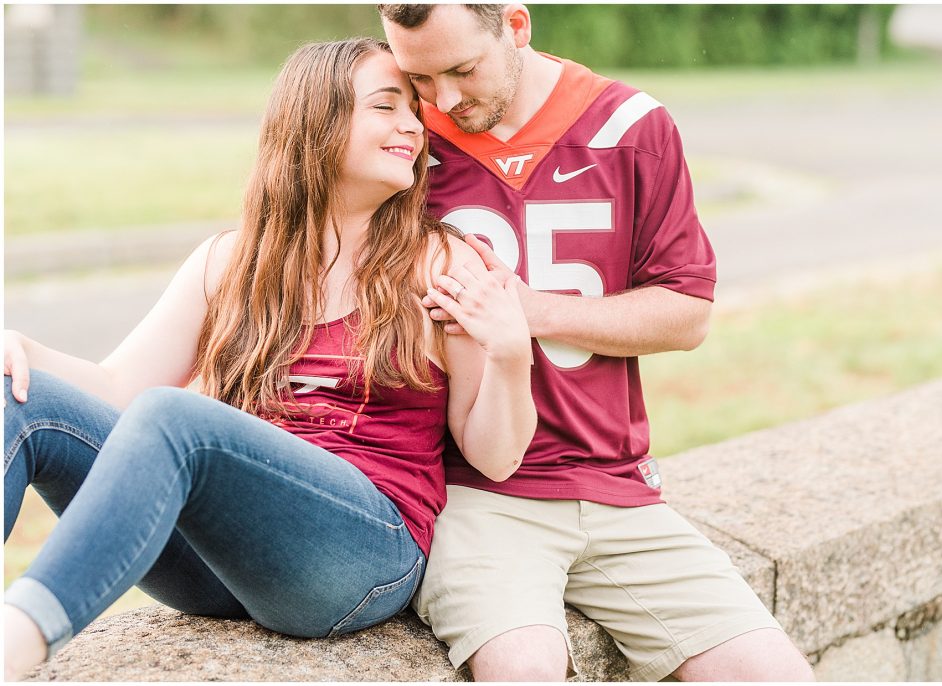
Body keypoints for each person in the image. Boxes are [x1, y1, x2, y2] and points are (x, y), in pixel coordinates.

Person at [3, 38, 536, 681]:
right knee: (20, 397)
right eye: (386, 106)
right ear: (318, 120)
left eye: (413, 111)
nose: (412, 126)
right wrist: (21, 349)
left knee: (175, 417)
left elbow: (494, 455)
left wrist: (509, 354)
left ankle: (19, 640)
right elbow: (116, 389)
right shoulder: (229, 262)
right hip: (219, 566)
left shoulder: (438, 262)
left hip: (358, 557)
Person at [379, 5, 815, 682]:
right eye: (421, 77)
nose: (445, 99)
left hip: (617, 489)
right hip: (475, 494)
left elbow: (686, 313)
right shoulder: (403, 143)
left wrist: (531, 313)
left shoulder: (631, 127)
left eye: (463, 70)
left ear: (517, 26)